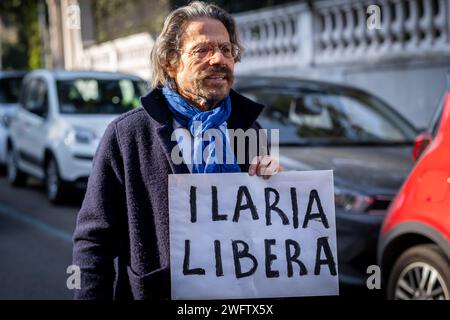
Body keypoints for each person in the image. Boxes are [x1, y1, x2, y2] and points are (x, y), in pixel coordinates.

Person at [72, 1, 281, 300]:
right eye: (203, 50)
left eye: (226, 49)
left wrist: (277, 190)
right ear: (171, 61)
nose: (218, 59)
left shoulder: (249, 130)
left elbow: (259, 228)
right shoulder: (127, 135)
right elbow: (94, 242)